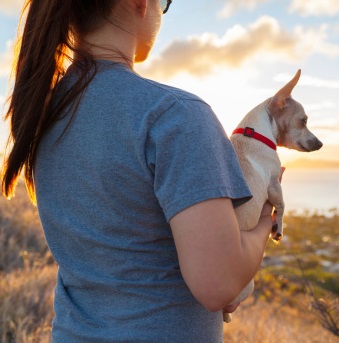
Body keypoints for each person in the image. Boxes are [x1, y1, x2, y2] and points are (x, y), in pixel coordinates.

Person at [2, 0, 277, 341]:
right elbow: (218, 285)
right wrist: (266, 221)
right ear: (139, 3)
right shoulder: (175, 115)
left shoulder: (44, 116)